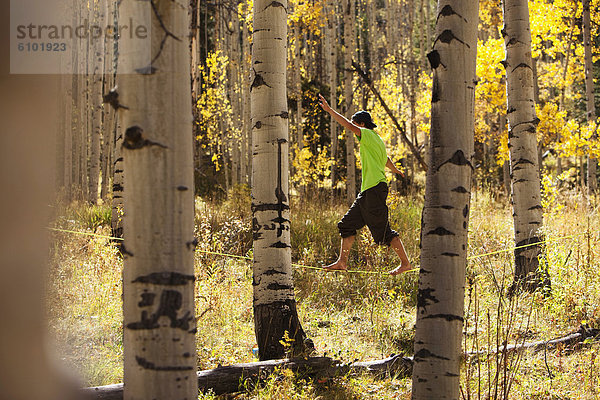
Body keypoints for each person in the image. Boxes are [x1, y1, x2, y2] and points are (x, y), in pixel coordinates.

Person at [318, 94, 412, 275]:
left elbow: (348, 125)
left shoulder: (367, 134)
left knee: (384, 232)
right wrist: (395, 170)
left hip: (374, 189)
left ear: (361, 124)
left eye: (356, 125)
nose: (354, 131)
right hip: (368, 192)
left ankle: (405, 263)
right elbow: (386, 160)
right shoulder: (377, 141)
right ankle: (342, 262)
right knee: (346, 225)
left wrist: (330, 111)